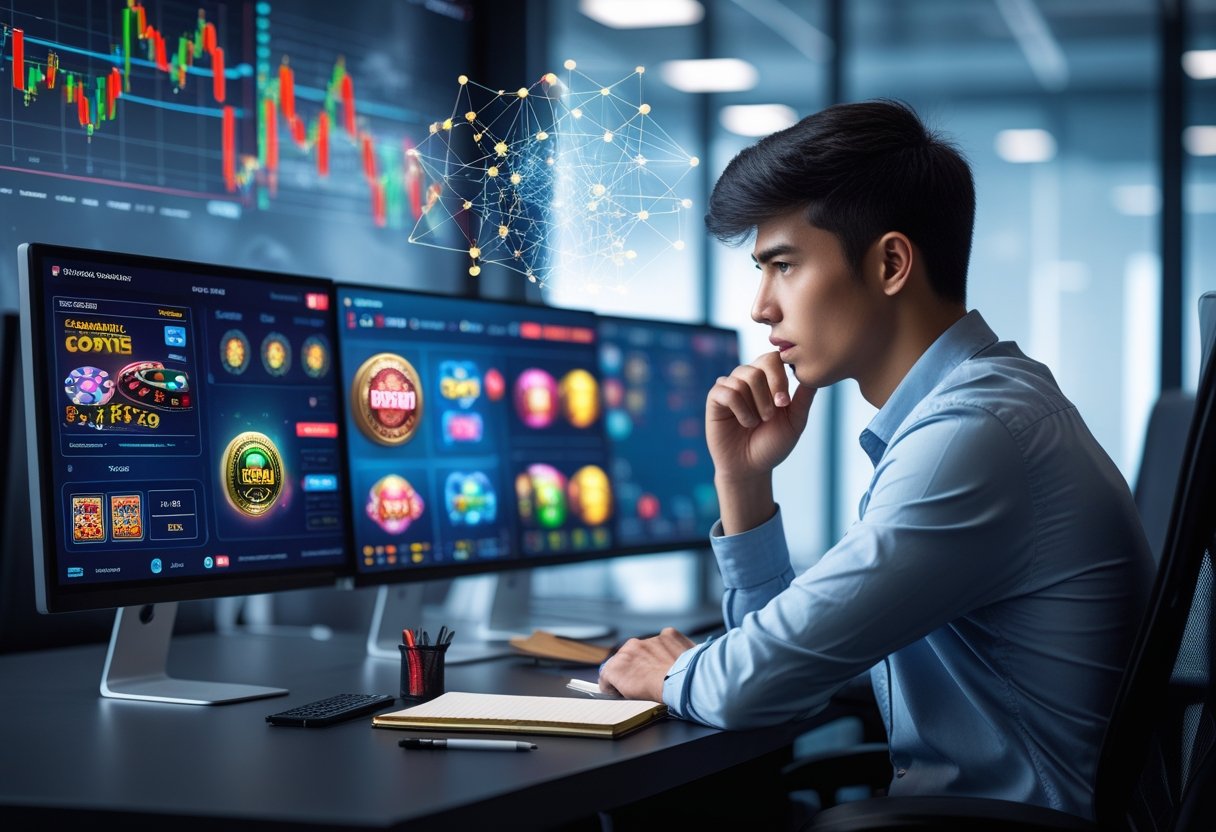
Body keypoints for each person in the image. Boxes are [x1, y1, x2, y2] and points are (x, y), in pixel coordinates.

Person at [598, 99, 1154, 820]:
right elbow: (792, 666)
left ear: (891, 263)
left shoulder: (974, 434)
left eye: (784, 266)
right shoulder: (973, 411)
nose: (761, 307)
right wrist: (744, 481)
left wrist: (674, 670)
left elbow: (752, 684)